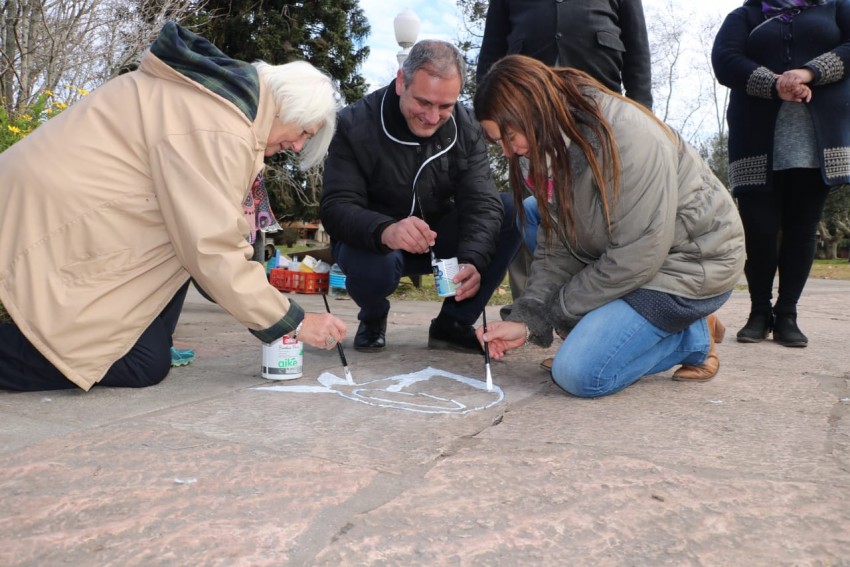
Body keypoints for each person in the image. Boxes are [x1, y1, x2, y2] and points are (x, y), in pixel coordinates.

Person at [0, 22, 347, 392]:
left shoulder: (219, 106)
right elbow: (211, 249)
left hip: (67, 210)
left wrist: (259, 303)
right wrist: (293, 321)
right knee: (141, 362)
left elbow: (202, 241)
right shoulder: (221, 127)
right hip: (50, 219)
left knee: (147, 342)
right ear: (289, 107)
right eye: (304, 132)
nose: (298, 146)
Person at [472, 55, 745, 398]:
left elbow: (636, 256)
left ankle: (693, 337)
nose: (509, 153)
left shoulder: (629, 137)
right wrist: (528, 318)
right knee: (534, 220)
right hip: (635, 260)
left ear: (534, 109)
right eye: (499, 142)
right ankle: (617, 333)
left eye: (510, 136)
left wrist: (556, 312)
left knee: (579, 373)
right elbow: (557, 246)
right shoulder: (545, 148)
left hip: (690, 263)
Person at [320, 40, 520, 354]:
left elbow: (481, 203)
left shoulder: (467, 128)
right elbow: (336, 207)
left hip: (436, 239)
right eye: (423, 102)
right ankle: (373, 315)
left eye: (445, 106)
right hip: (374, 245)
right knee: (376, 264)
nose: (432, 116)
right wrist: (386, 230)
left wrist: (473, 260)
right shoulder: (353, 123)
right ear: (402, 81)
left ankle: (453, 324)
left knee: (511, 210)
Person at [475, 0, 654, 313]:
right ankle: (531, 309)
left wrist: (642, 115)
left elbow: (637, 49)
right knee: (533, 215)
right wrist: (492, 115)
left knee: (604, 216)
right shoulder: (516, 140)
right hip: (526, 117)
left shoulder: (625, 129)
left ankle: (604, 306)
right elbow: (491, 48)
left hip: (598, 109)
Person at [712, 0, 850, 348]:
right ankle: (759, 312)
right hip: (755, 139)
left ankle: (787, 314)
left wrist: (808, 73)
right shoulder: (746, 14)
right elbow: (725, 60)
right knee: (758, 230)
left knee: (802, 230)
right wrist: (777, 84)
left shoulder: (837, 7)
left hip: (818, 140)